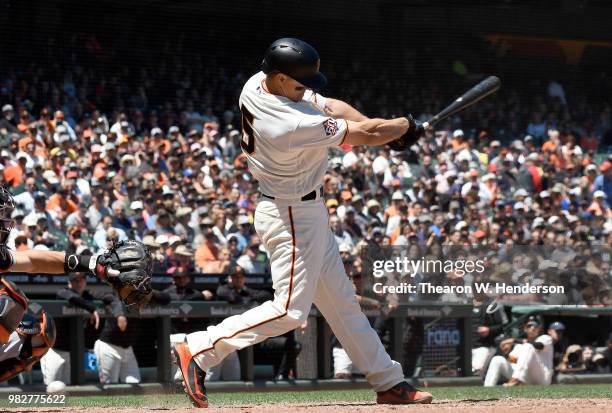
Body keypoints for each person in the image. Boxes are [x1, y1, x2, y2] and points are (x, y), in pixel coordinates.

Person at [173, 38, 432, 407]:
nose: (307, 89)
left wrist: (391, 132)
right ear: (279, 78)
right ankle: (200, 348)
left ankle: (389, 382)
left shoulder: (257, 83)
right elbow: (365, 135)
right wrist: (402, 127)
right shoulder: (289, 124)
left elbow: (335, 108)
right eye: (299, 83)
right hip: (290, 215)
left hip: (304, 210)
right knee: (290, 311)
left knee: (343, 304)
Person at [484, 315, 554, 386]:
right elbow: (514, 361)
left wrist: (513, 340)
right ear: (525, 329)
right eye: (529, 326)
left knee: (528, 346)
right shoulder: (519, 346)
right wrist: (505, 354)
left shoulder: (545, 338)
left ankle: (515, 380)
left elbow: (539, 345)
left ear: (539, 328)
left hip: (541, 378)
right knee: (497, 359)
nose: (532, 328)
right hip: (525, 378)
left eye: (535, 325)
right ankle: (488, 388)